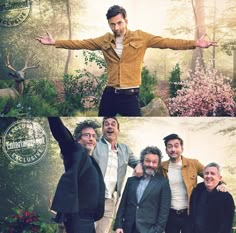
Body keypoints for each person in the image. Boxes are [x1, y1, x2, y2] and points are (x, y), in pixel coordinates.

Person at [36, 5, 217, 117]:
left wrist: (195, 43)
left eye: (119, 23)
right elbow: (80, 43)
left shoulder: (141, 37)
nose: (116, 27)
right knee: (103, 126)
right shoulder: (104, 40)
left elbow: (168, 42)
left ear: (126, 20)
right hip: (109, 94)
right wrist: (55, 42)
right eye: (112, 24)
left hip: (130, 96)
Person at [48, 117, 105, 233]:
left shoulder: (92, 160)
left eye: (94, 136)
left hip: (90, 218)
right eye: (87, 135)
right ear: (78, 139)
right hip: (77, 217)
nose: (91, 139)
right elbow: (60, 133)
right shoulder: (74, 151)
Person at [162, 133, 226, 233]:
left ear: (182, 148)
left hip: (189, 213)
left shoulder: (193, 164)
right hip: (170, 214)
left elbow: (210, 175)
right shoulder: (161, 167)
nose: (173, 149)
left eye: (176, 145)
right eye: (169, 147)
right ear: (166, 150)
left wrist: (222, 184)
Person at [92, 117, 142, 233]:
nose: (109, 126)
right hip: (92, 196)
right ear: (103, 129)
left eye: (113, 124)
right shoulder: (96, 144)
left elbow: (137, 162)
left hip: (110, 199)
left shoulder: (125, 149)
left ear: (118, 130)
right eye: (106, 124)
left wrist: (139, 164)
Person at [113, 146, 171, 233]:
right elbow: (123, 205)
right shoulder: (131, 181)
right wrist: (118, 225)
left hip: (149, 229)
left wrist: (157, 230)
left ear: (158, 164)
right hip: (128, 228)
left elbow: (164, 211)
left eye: (154, 162)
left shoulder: (163, 183)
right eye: (147, 161)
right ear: (142, 162)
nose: (151, 165)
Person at [189, 162, 235, 233]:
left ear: (220, 178)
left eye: (212, 173)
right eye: (206, 173)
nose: (208, 176)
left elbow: (227, 226)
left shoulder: (226, 198)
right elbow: (192, 216)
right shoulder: (197, 191)